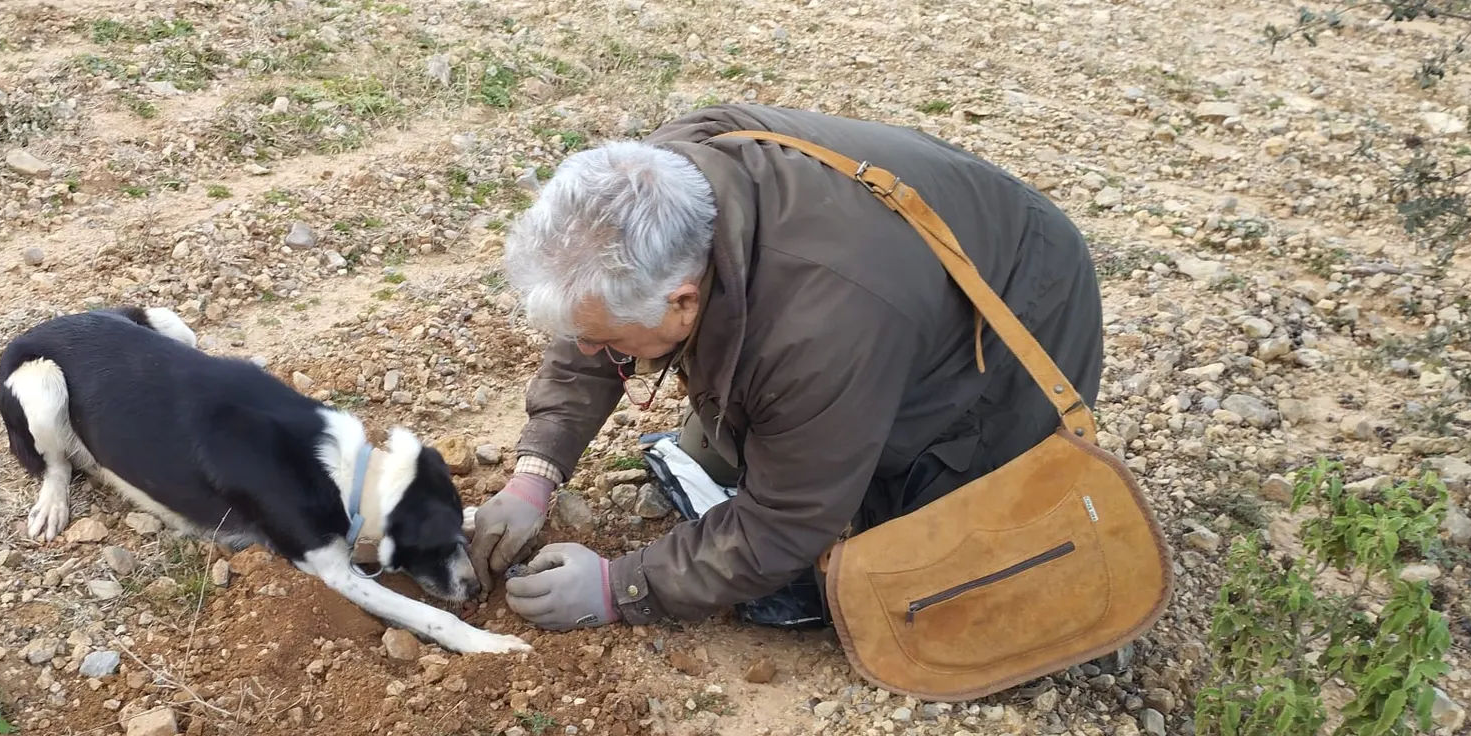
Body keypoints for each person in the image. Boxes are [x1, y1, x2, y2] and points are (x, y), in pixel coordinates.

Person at [469, 103, 1105, 632]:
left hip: (1017, 308)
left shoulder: (821, 330)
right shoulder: (645, 189)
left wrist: (619, 587)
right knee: (743, 442)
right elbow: (595, 319)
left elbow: (791, 518)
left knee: (916, 572)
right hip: (909, 257)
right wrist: (537, 470)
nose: (587, 351)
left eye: (602, 340)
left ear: (684, 300)